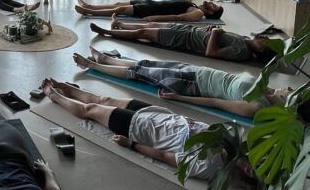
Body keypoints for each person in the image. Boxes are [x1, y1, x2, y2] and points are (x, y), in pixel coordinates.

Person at [41, 78, 250, 179]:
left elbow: (166, 157)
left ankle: (54, 95)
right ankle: (67, 88)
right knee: (103, 99)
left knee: (92, 109)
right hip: (157, 114)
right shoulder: (230, 137)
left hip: (141, 129)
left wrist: (131, 144)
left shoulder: (210, 168)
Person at [71, 49, 286, 119]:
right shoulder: (265, 87)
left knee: (138, 73)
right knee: (148, 63)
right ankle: (107, 59)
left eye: (288, 92)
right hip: (199, 71)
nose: (287, 88)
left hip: (192, 85)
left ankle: (93, 66)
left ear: (286, 101)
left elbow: (215, 102)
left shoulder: (256, 107)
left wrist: (179, 98)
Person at [92, 16, 276, 63]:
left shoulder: (242, 51)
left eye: (265, 41)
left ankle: (107, 32)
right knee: (150, 25)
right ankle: (120, 25)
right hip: (191, 30)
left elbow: (211, 53)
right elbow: (217, 36)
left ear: (260, 50)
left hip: (185, 39)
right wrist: (210, 30)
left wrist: (215, 33)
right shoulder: (244, 40)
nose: (264, 37)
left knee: (142, 33)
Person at [74, 0, 223, 21]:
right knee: (119, 4)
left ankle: (88, 12)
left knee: (120, 11)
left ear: (211, 12)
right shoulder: (196, 6)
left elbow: (179, 18)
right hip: (153, 3)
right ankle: (89, 5)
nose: (211, 3)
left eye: (213, 6)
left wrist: (156, 18)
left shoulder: (197, 13)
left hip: (152, 11)